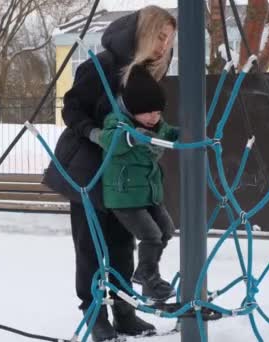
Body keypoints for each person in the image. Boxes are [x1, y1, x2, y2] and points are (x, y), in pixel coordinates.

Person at [43, 5, 176, 342]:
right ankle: (94, 313)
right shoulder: (101, 66)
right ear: (144, 33)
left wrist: (154, 138)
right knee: (90, 246)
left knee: (121, 245)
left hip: (124, 174)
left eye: (169, 40)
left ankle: (124, 311)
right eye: (159, 37)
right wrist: (94, 133)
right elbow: (71, 108)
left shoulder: (147, 72)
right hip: (89, 168)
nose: (164, 46)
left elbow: (146, 117)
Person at [93, 64, 178, 303]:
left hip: (149, 193)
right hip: (123, 197)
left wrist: (186, 134)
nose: (154, 117)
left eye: (158, 112)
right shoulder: (118, 123)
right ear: (132, 108)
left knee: (167, 229)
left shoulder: (157, 126)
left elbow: (169, 133)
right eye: (147, 112)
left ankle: (146, 275)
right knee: (151, 234)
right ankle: (149, 277)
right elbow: (110, 139)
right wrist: (131, 137)